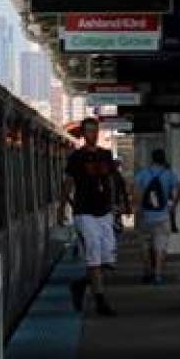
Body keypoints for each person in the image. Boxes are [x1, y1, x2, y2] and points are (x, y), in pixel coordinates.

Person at [64, 117, 122, 316]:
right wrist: (65, 206)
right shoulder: (76, 157)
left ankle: (81, 284)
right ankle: (100, 301)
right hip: (85, 212)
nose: (93, 135)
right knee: (94, 257)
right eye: (89, 131)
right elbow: (69, 183)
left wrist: (116, 205)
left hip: (104, 212)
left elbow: (112, 181)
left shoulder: (106, 155)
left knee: (108, 259)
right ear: (83, 134)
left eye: (95, 131)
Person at [133, 149, 180, 284]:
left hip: (145, 215)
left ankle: (148, 271)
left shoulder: (143, 174)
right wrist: (173, 205)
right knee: (160, 246)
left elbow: (136, 192)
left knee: (144, 244)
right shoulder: (169, 174)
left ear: (152, 159)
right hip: (163, 215)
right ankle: (158, 274)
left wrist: (137, 208)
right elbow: (179, 188)